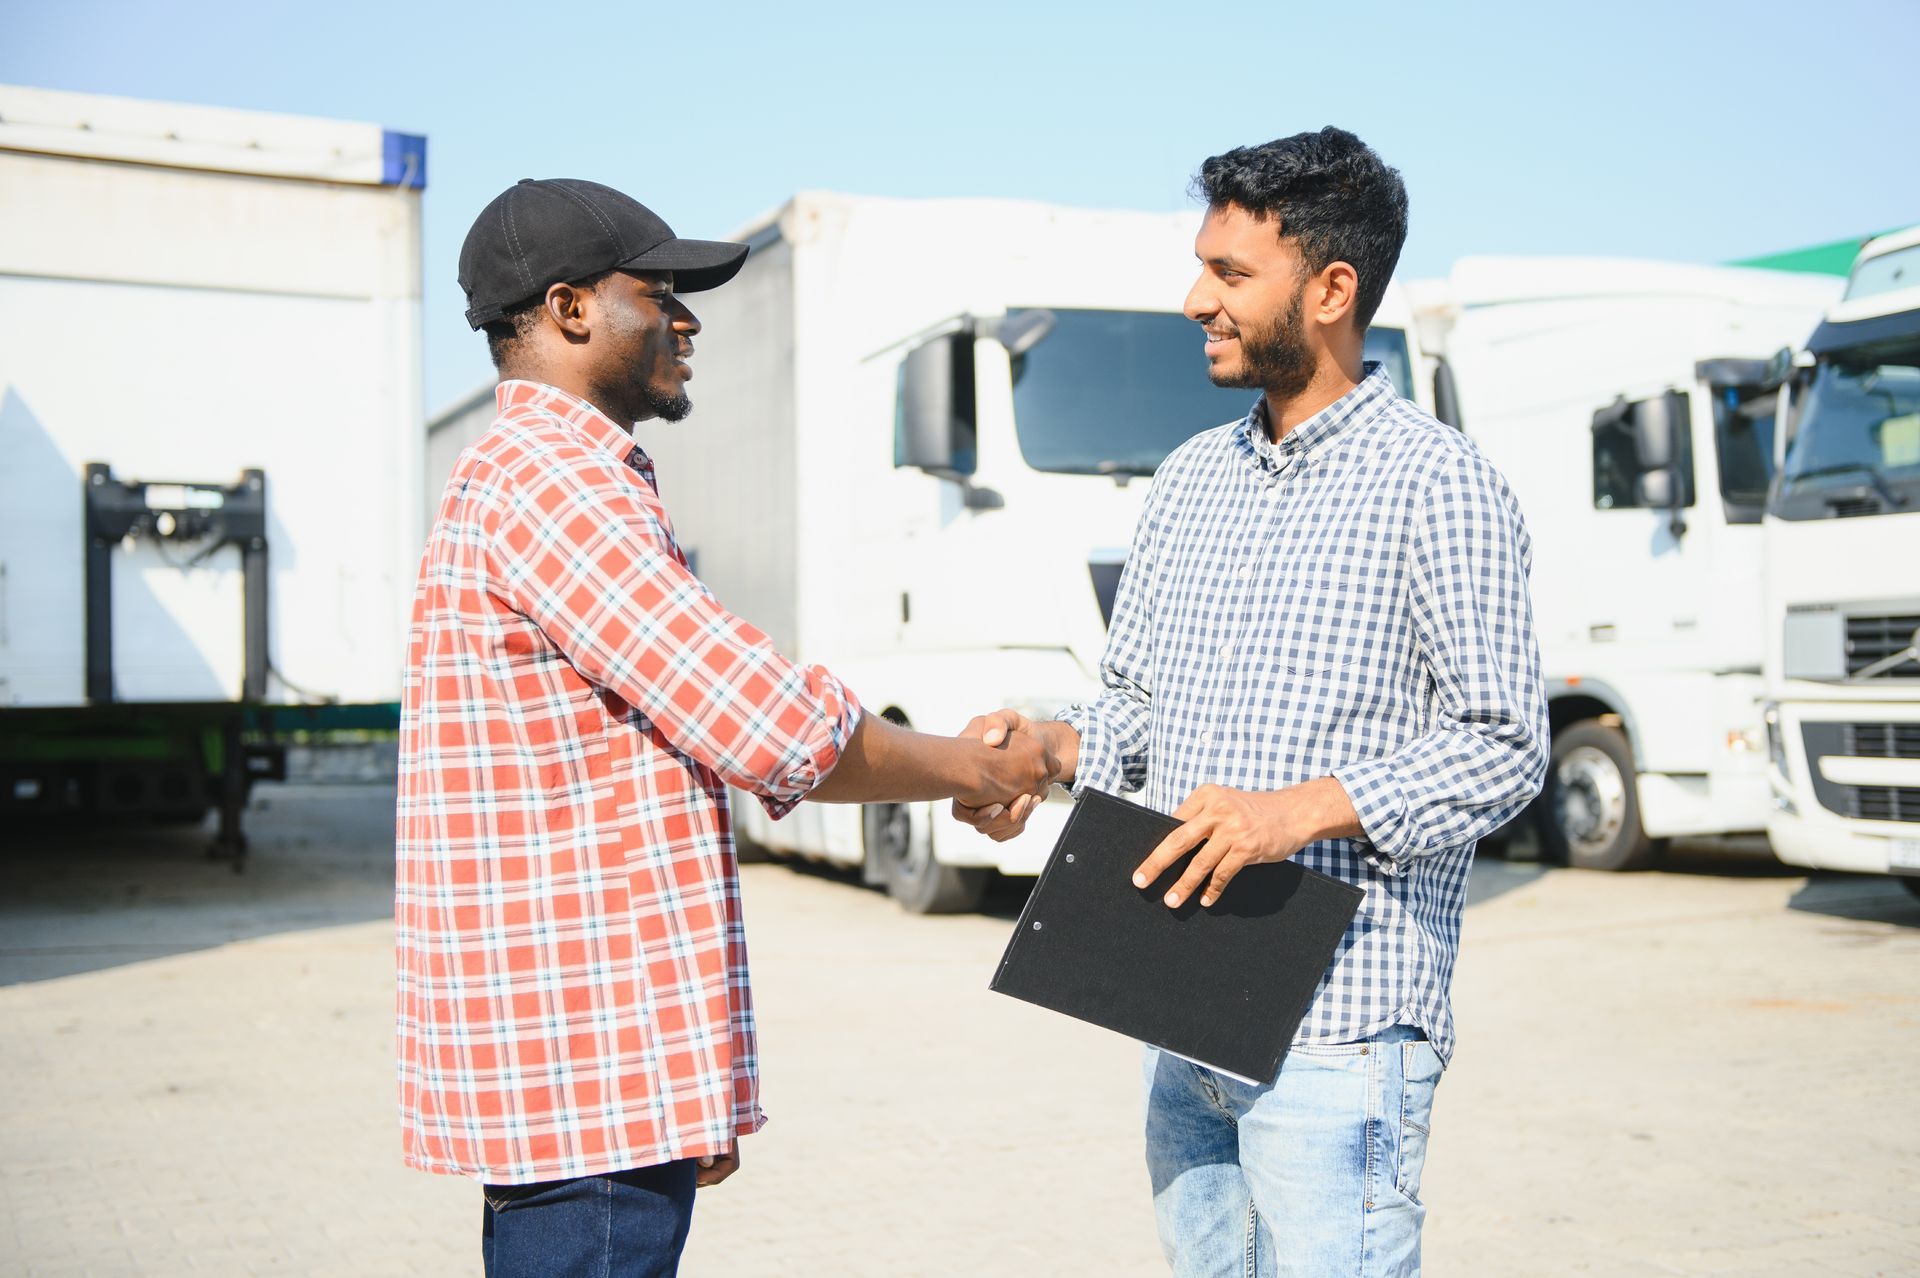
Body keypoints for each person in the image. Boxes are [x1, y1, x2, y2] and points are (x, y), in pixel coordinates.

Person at [395, 178, 1056, 1278]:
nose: (686, 319)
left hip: (593, 1079)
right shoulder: (556, 483)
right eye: (658, 293)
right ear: (569, 310)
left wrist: (683, 1088)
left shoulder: (518, 477)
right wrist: (980, 766)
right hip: (587, 1084)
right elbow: (769, 726)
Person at [958, 129, 1547, 1276]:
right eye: (1201, 267)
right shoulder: (1189, 480)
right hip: (1177, 1004)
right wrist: (1050, 749)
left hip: (1340, 1028)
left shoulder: (1441, 484)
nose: (1194, 301)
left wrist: (1295, 812)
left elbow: (1504, 748)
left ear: (1332, 291)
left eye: (1230, 276)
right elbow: (1134, 701)